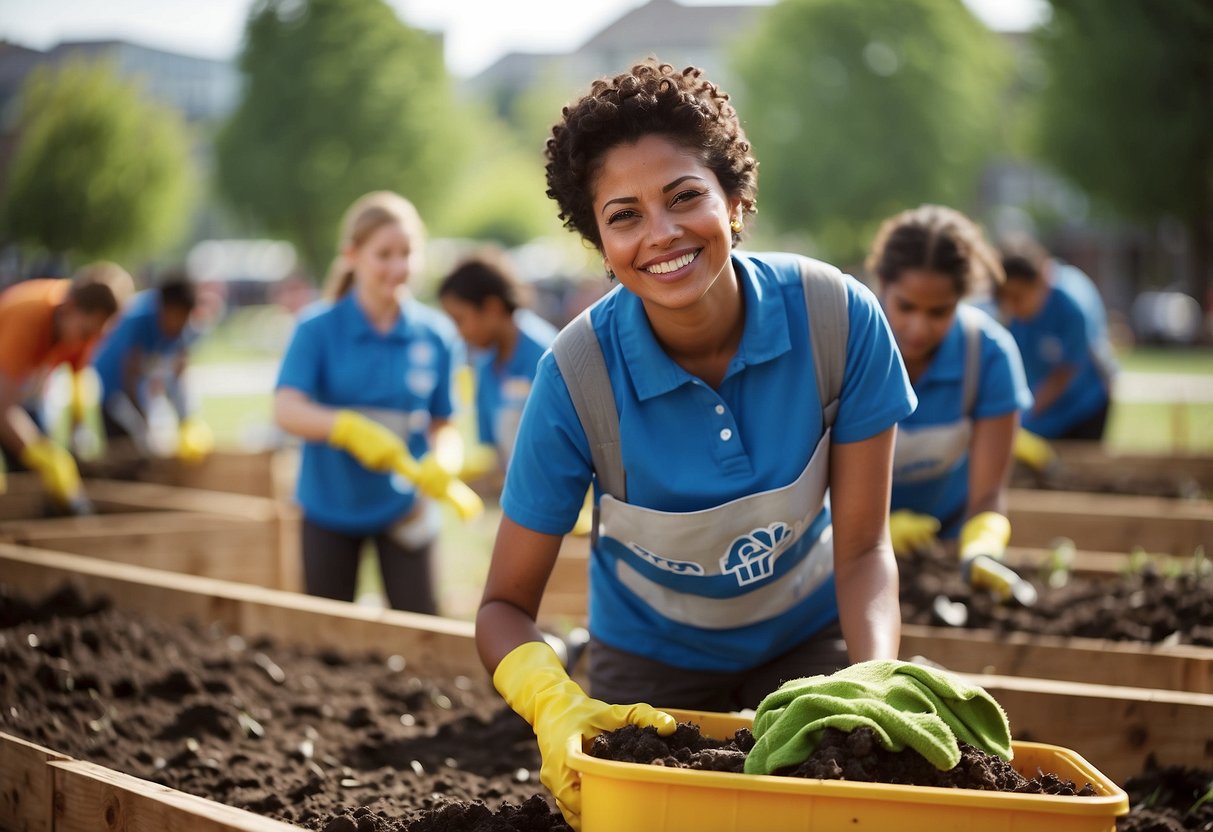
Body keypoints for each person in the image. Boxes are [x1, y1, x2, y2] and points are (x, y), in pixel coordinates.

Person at [474, 60, 916, 829]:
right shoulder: (576, 378)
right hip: (646, 670)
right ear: (598, 243)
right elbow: (503, 607)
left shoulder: (836, 320)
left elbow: (861, 551)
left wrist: (869, 676)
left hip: (804, 647)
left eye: (685, 197)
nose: (662, 234)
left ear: (736, 201)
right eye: (624, 216)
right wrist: (556, 707)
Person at [273, 190, 465, 614]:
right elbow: (285, 408)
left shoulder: (436, 335)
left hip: (406, 508)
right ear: (353, 255)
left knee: (421, 633)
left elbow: (442, 422)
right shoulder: (316, 329)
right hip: (329, 506)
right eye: (384, 254)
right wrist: (344, 427)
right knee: (328, 641)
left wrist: (445, 461)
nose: (398, 267)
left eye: (407, 253)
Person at [866, 205, 1035, 601]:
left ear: (961, 298)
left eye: (938, 312)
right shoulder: (845, 348)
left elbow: (988, 496)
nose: (918, 327)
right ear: (882, 284)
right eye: (906, 306)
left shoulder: (988, 357)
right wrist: (873, 527)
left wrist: (981, 547)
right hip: (842, 548)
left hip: (942, 550)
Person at [0, 262, 134, 507]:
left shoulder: (82, 325)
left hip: (16, 393)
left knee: (36, 473)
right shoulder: (28, 318)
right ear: (69, 309)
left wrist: (76, 442)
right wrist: (40, 454)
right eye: (85, 334)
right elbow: (2, 407)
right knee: (29, 459)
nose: (87, 343)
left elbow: (78, 385)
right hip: (4, 393)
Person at [996, 235, 1117, 464]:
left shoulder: (1071, 304)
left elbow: (1066, 371)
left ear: (1041, 282)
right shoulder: (1009, 312)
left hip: (1083, 408)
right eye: (1006, 298)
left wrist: (1022, 412)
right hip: (1040, 413)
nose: (1011, 306)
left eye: (1018, 297)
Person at [437, 248, 557, 469]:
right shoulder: (485, 367)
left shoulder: (549, 357)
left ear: (492, 308)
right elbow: (498, 458)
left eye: (459, 319)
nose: (458, 333)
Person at [91, 269, 213, 463]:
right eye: (176, 317)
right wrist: (144, 420)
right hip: (114, 388)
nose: (179, 324)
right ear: (164, 309)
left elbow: (179, 370)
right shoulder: (138, 318)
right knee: (128, 448)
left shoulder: (181, 325)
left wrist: (187, 422)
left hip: (140, 384)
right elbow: (128, 375)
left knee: (148, 444)